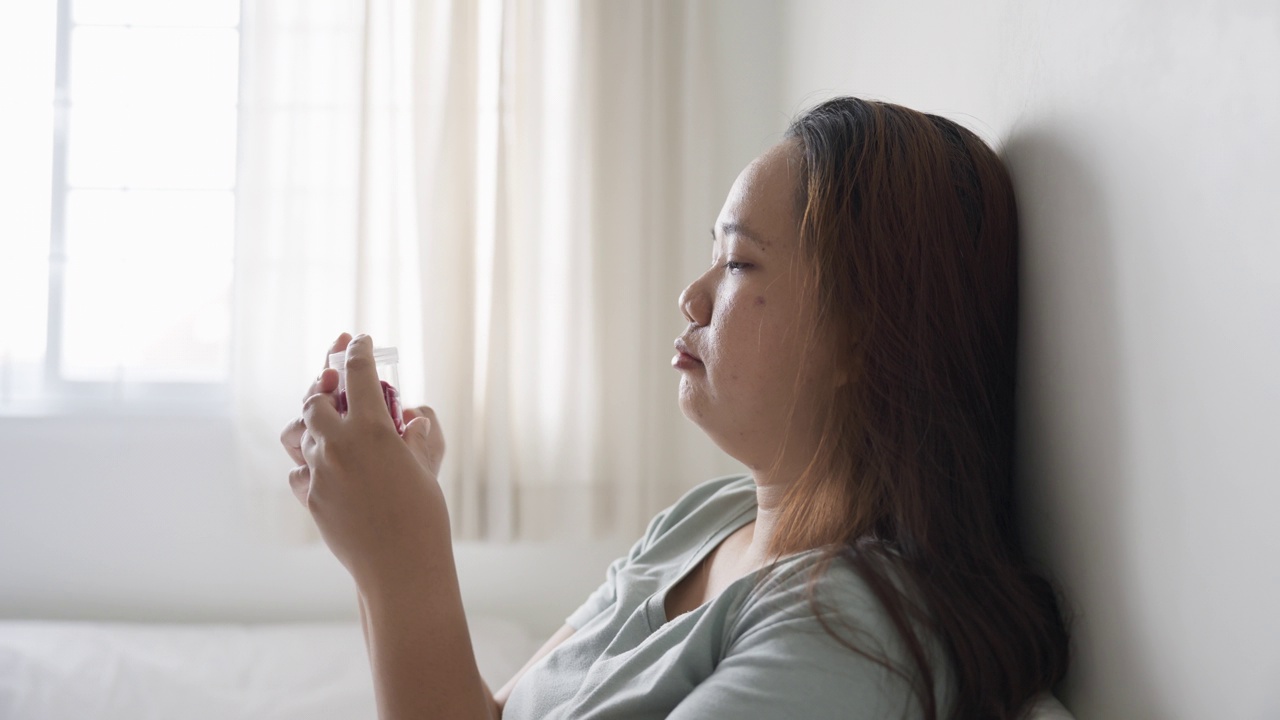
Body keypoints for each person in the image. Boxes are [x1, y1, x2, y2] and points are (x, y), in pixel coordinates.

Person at [280, 96, 1071, 719]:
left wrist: (402, 565)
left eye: (737, 262)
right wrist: (382, 529)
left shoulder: (850, 635)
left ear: (865, 332)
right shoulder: (707, 521)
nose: (692, 296)